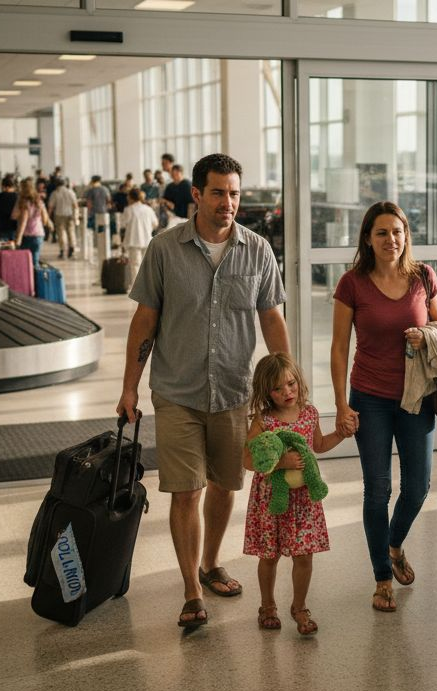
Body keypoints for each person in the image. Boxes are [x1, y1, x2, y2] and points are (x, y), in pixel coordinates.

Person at [118, 153, 290, 629]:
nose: (228, 202)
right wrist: (129, 388)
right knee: (187, 490)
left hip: (234, 391)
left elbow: (271, 318)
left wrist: (286, 382)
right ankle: (192, 592)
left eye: (234, 193)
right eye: (218, 192)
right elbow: (144, 320)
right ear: (196, 194)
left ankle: (211, 563)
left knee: (225, 484)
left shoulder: (256, 250)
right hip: (177, 392)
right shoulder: (165, 249)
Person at [330, 201, 437, 613]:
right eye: (382, 233)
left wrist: (426, 336)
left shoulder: (423, 276)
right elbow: (339, 348)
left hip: (417, 397)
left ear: (405, 235)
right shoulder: (352, 284)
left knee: (418, 487)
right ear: (368, 238)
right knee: (378, 490)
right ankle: (381, 577)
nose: (391, 240)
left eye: (397, 232)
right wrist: (341, 405)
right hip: (370, 398)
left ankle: (394, 544)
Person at [241, 352, 344, 635]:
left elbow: (319, 445)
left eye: (291, 384)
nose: (287, 392)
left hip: (303, 500)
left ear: (298, 381)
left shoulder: (309, 414)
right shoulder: (264, 421)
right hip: (272, 499)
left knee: (304, 556)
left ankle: (299, 607)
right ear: (266, 392)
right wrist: (280, 462)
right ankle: (267, 605)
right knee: (269, 556)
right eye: (277, 388)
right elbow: (247, 460)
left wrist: (342, 434)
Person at [118, 187, 157, 281]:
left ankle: (137, 289)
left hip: (134, 240)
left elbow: (122, 224)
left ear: (130, 197)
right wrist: (147, 229)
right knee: (147, 266)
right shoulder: (148, 209)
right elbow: (155, 223)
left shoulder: (129, 209)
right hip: (147, 239)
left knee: (135, 265)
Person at [13, 177, 51, 266]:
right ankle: (37, 279)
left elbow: (20, 220)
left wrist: (18, 239)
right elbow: (45, 220)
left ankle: (29, 280)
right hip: (38, 235)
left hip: (27, 236)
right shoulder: (39, 201)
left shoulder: (24, 203)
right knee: (35, 261)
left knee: (25, 263)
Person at [48, 178, 78, 259]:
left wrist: (48, 216)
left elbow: (51, 206)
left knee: (61, 233)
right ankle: (72, 248)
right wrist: (76, 216)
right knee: (71, 231)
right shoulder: (71, 192)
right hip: (70, 214)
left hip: (59, 215)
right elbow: (75, 205)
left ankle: (62, 250)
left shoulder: (55, 193)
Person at [84, 175, 111, 249]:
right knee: (102, 229)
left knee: (92, 229)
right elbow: (108, 200)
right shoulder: (105, 189)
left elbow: (89, 202)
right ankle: (102, 244)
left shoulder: (91, 190)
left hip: (94, 212)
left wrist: (88, 212)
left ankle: (95, 244)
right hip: (103, 212)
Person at [161, 163, 192, 228]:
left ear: (181, 173)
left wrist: (190, 221)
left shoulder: (187, 185)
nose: (174, 176)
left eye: (176, 174)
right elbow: (163, 201)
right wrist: (168, 212)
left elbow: (191, 204)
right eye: (173, 174)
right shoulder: (169, 186)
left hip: (185, 218)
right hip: (173, 217)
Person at [0, 176, 19, 242]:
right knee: (13, 249)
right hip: (13, 226)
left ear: (4, 186)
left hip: (1, 226)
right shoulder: (17, 197)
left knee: (2, 247)